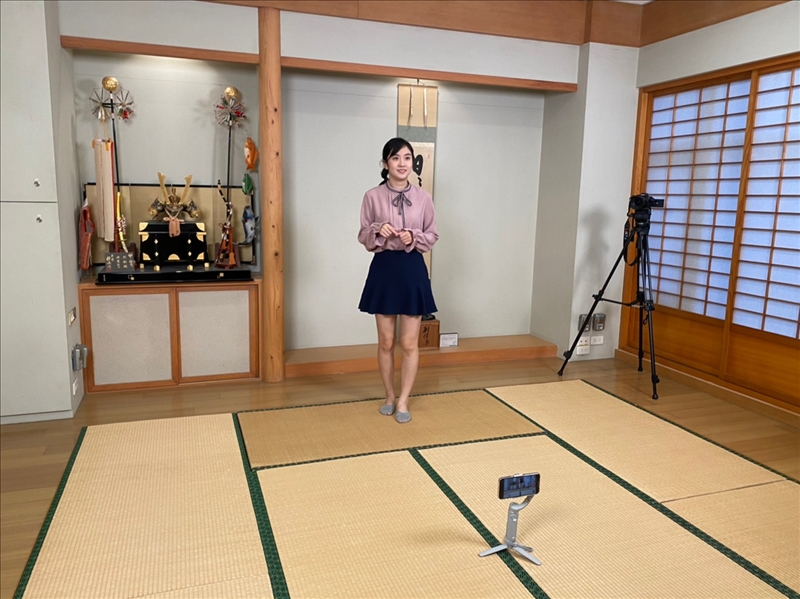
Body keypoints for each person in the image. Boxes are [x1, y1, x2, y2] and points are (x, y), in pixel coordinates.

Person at [358, 138, 438, 424]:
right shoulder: (372, 196)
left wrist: (413, 236)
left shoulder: (424, 198)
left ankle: (404, 400)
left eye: (407, 158)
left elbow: (432, 235)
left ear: (412, 162)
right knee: (386, 341)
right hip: (384, 269)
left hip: (413, 268)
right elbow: (363, 235)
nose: (402, 163)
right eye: (395, 158)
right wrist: (378, 229)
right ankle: (389, 396)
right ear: (385, 163)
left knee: (409, 343)